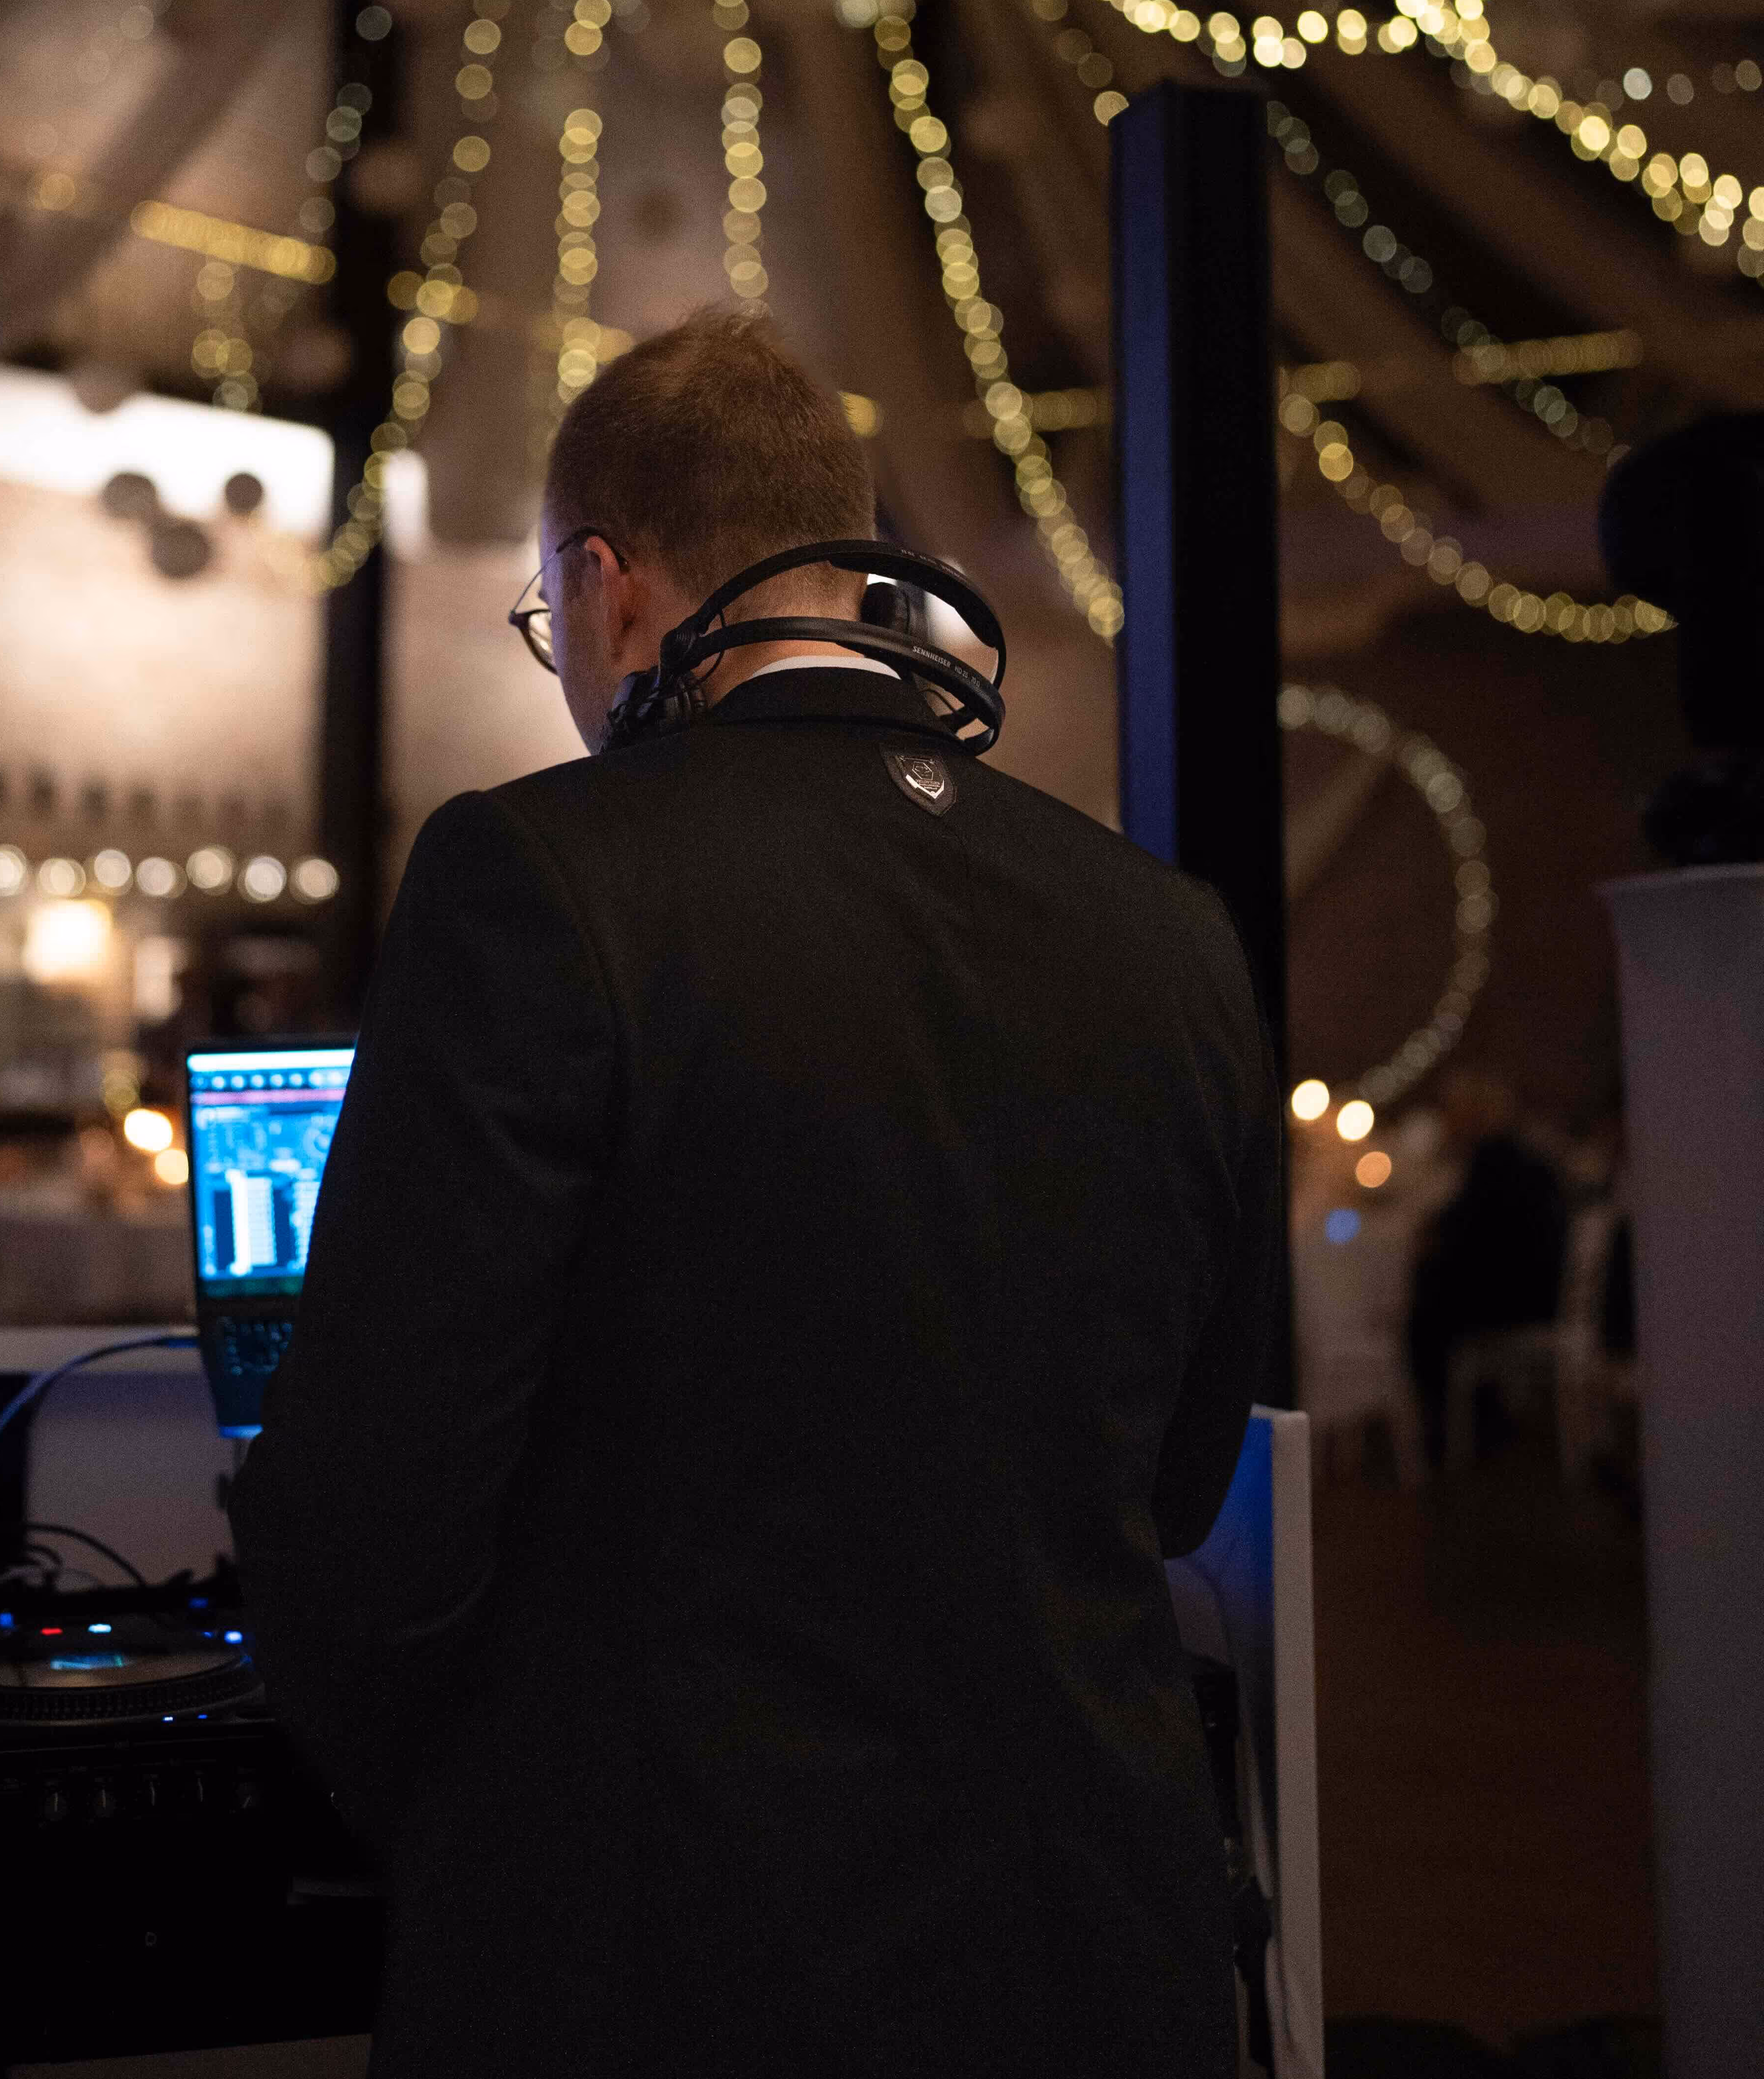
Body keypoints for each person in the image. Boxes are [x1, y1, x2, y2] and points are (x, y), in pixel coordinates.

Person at [233, 309, 1282, 2079]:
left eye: (550, 624)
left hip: (674, 1965)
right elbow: (1174, 1486)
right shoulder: (1166, 934)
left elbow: (371, 1522)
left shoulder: (541, 874)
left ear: (603, 586)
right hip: (1097, 1949)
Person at [1403, 1069, 1568, 1468]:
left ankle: (1443, 1429)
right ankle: (1482, 1412)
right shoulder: (1525, 1159)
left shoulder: (1490, 1162)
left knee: (1421, 1319)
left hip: (1512, 1302)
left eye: (1454, 1114)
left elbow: (1460, 1231)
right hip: (1540, 1294)